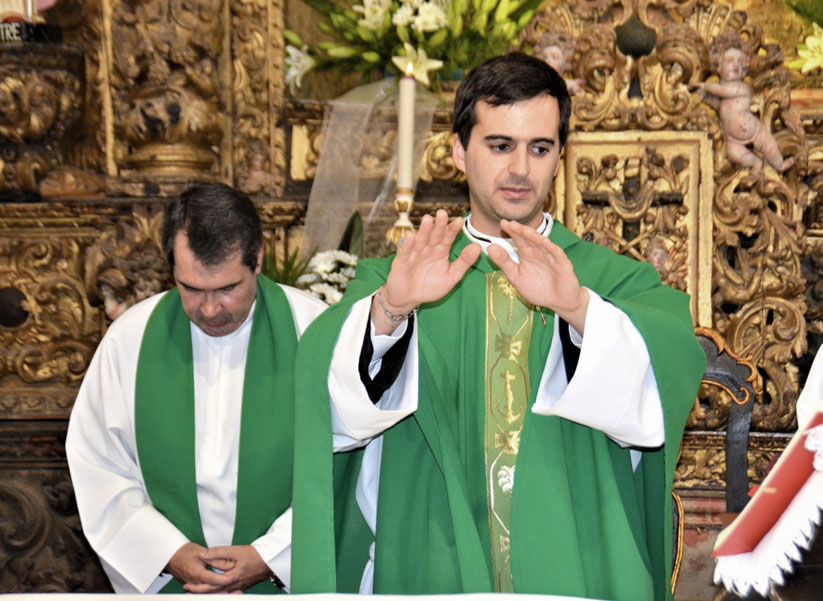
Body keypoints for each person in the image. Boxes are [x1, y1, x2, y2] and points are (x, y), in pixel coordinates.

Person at [290, 53, 705, 601]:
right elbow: (333, 401)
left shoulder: (608, 281)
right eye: (500, 145)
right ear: (459, 151)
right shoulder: (398, 281)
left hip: (575, 560)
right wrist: (390, 310)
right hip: (432, 562)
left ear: (560, 157)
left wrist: (579, 310)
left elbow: (669, 368)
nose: (520, 170)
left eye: (540, 148)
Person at [66, 183, 327, 594]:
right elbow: (99, 464)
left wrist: (271, 555)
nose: (209, 310)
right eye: (191, 288)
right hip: (173, 580)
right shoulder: (129, 339)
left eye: (227, 289)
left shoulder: (315, 333)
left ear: (257, 260)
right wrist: (168, 552)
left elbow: (343, 468)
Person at [691, 32, 794, 176]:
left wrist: (703, 86)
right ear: (717, 66)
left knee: (769, 147)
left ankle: (780, 164)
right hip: (732, 139)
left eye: (739, 62)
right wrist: (703, 98)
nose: (735, 65)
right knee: (733, 154)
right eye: (729, 61)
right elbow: (717, 104)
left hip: (755, 131)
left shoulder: (741, 87)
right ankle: (755, 163)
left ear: (744, 69)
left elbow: (721, 90)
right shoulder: (723, 94)